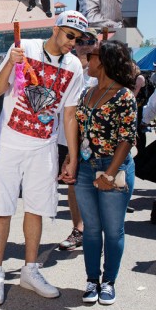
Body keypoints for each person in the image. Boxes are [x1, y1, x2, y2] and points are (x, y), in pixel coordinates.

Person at [0, 11, 86, 305]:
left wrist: (73, 157)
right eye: (70, 36)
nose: (73, 43)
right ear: (56, 30)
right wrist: (11, 64)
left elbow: (69, 114)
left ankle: (30, 270)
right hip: (8, 144)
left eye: (78, 40)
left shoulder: (74, 66)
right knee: (2, 209)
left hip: (43, 147)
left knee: (36, 208)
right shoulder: (24, 47)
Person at [69, 40, 137, 305]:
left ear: (105, 61)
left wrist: (109, 175)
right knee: (92, 230)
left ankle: (108, 282)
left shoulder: (124, 96)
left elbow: (126, 139)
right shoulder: (87, 94)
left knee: (113, 229)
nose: (87, 59)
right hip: (87, 168)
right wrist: (71, 161)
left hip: (114, 168)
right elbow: (78, 129)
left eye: (92, 55)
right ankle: (91, 280)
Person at [58, 29, 99, 251]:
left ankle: (97, 232)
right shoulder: (67, 66)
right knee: (73, 185)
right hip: (70, 138)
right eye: (79, 40)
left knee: (99, 185)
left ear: (96, 43)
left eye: (88, 41)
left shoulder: (102, 70)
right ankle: (79, 229)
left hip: (97, 141)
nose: (83, 44)